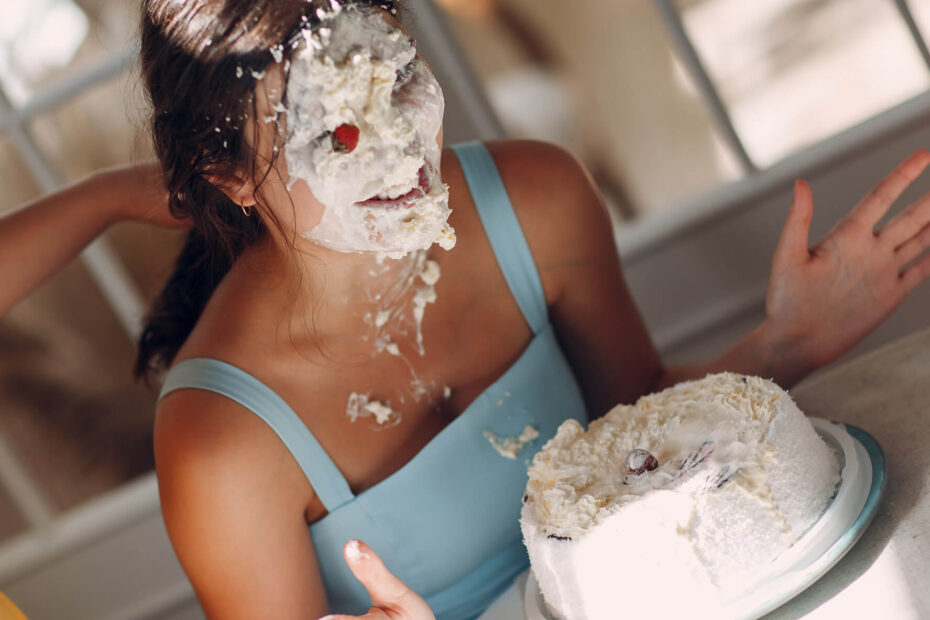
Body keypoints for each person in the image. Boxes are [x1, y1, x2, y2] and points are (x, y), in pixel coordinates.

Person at [4, 0, 930, 617]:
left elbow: (634, 413)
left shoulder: (537, 197)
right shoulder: (219, 440)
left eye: (401, 83)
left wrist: (785, 343)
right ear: (230, 175)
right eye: (337, 128)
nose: (402, 152)